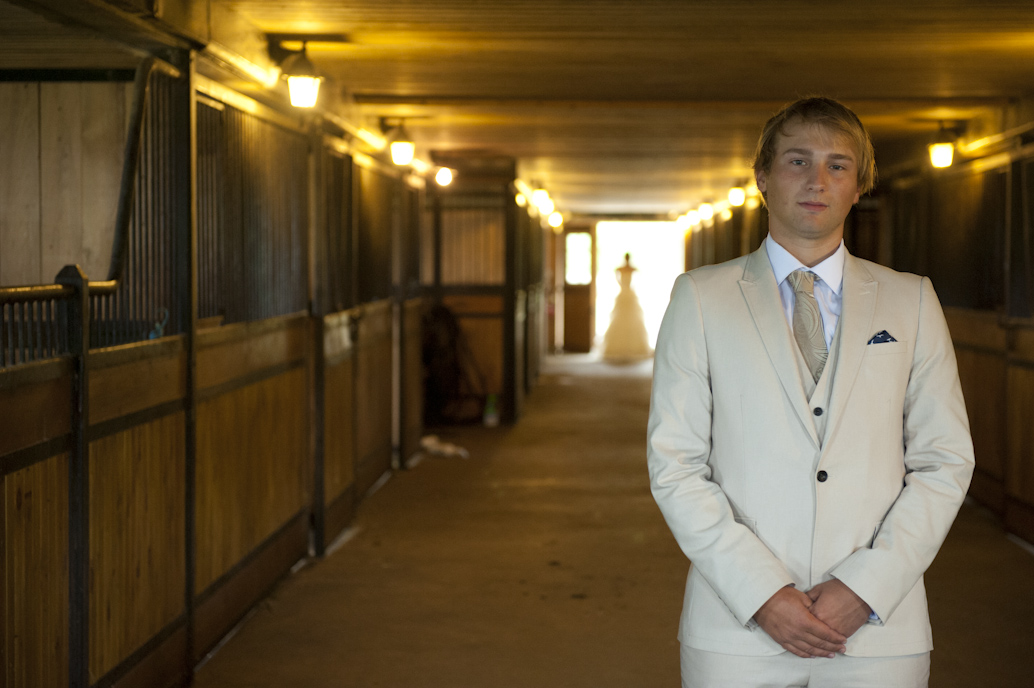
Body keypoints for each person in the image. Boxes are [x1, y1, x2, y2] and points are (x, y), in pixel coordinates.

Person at [647, 97, 974, 687]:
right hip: (737, 628)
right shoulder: (699, 298)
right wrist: (763, 593)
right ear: (764, 178)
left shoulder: (911, 300)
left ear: (860, 186)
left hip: (877, 629)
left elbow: (943, 460)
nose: (817, 180)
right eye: (798, 161)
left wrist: (865, 588)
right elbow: (676, 465)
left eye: (838, 165)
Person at [601, 253, 653, 361]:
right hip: (625, 293)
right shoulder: (623, 269)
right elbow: (617, 273)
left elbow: (638, 274)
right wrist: (621, 285)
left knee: (632, 318)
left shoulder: (629, 269)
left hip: (628, 293)